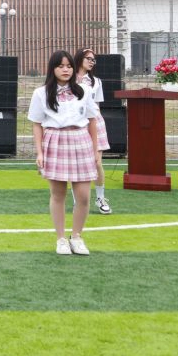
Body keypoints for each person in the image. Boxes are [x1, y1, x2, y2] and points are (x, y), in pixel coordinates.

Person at [29, 50, 99, 256]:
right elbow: (36, 124)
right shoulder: (41, 93)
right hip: (55, 141)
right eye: (60, 66)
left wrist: (95, 150)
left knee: (83, 196)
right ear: (52, 69)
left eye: (69, 66)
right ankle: (61, 239)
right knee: (58, 194)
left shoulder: (84, 90)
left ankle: (76, 237)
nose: (65, 70)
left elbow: (92, 121)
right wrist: (39, 152)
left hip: (81, 140)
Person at [73, 49, 111, 215]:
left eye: (93, 60)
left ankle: (100, 198)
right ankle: (77, 199)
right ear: (79, 59)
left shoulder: (96, 82)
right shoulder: (69, 78)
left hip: (94, 123)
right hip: (76, 123)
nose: (91, 62)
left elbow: (97, 106)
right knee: (76, 163)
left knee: (97, 163)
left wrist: (97, 123)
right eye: (88, 58)